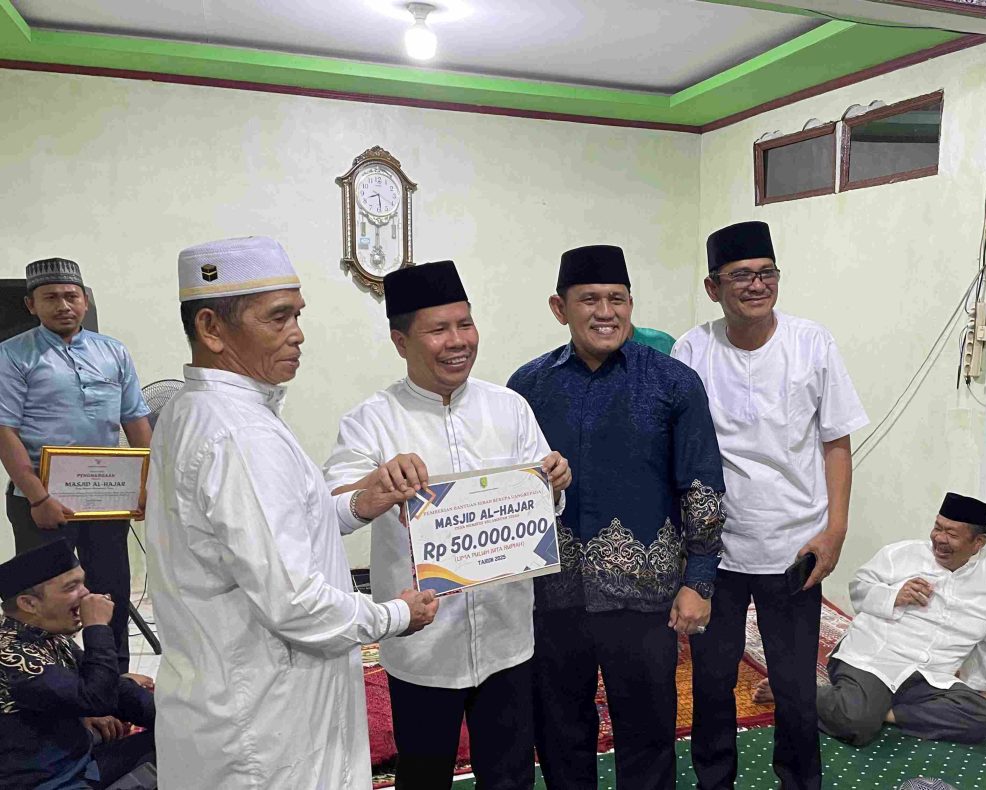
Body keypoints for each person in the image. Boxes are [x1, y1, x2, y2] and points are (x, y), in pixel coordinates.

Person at [145, 236, 438, 790]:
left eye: (298, 315)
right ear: (211, 328)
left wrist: (359, 503)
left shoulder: (196, 409)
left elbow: (264, 535)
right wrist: (394, 615)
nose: (298, 333)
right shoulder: (241, 434)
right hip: (267, 723)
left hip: (231, 698)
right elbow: (297, 603)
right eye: (278, 317)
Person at [324, 260, 571, 790]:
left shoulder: (509, 407)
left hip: (508, 638)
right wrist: (374, 489)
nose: (458, 341)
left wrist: (553, 482)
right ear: (401, 341)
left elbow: (544, 505)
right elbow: (329, 512)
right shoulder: (372, 419)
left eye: (465, 324)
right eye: (438, 329)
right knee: (424, 775)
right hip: (423, 642)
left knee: (509, 776)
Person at [508, 244, 726, 790]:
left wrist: (699, 581)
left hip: (645, 597)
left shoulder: (674, 383)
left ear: (630, 304)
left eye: (617, 299)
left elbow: (702, 486)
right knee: (559, 730)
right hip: (552, 595)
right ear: (560, 308)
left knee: (648, 733)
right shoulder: (526, 388)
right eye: (589, 300)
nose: (605, 312)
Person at [672, 221, 869, 790]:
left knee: (794, 686)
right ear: (713, 287)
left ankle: (800, 782)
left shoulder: (812, 343)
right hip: (716, 550)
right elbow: (678, 448)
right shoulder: (693, 350)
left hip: (796, 545)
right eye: (741, 276)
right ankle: (715, 781)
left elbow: (836, 442)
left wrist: (836, 530)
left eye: (766, 273)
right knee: (713, 683)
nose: (756, 285)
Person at [0, 258, 152, 674]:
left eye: (71, 296)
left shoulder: (113, 351)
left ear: (85, 301)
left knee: (110, 588)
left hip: (107, 500)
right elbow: (4, 431)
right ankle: (51, 677)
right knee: (46, 596)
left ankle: (115, 676)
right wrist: (39, 497)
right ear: (31, 305)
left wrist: (146, 483)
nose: (63, 305)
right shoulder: (12, 355)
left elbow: (136, 419)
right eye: (50, 297)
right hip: (41, 501)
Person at [816, 492, 986, 746]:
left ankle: (881, 713)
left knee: (984, 717)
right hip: (875, 660)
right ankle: (798, 692)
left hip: (931, 676)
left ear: (978, 542)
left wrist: (979, 687)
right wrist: (894, 595)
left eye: (951, 534)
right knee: (856, 724)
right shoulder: (902, 554)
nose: (939, 538)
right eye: (937, 527)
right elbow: (859, 590)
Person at [0, 539, 156, 789]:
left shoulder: (48, 636)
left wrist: (172, 717)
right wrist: (97, 627)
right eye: (71, 587)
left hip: (80, 765)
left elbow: (114, 691)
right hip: (50, 783)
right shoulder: (11, 655)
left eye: (82, 583)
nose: (86, 594)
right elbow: (97, 699)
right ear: (29, 604)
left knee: (177, 739)